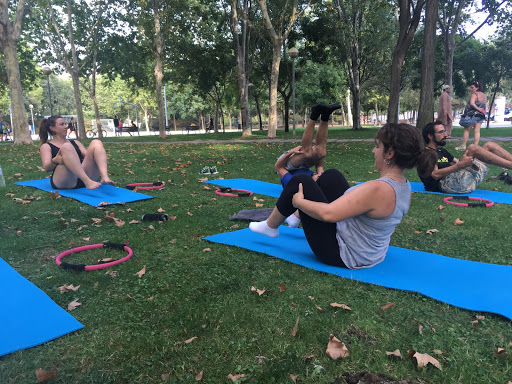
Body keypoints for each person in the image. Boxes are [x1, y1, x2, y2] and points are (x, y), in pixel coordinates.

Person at [250, 122, 424, 269]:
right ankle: (294, 218)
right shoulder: (405, 187)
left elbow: (328, 214)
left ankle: (270, 226)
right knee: (331, 175)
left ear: (390, 153)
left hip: (343, 254)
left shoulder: (377, 189)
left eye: (377, 146)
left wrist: (299, 203)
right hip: (370, 253)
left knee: (300, 182)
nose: (373, 151)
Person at [417, 120, 512, 194]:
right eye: (441, 132)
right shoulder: (427, 153)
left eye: (445, 131)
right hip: (446, 185)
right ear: (430, 136)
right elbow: (435, 175)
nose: (446, 134)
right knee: (472, 148)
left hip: (461, 181)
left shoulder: (442, 151)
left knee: (489, 145)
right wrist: (460, 165)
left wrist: (465, 163)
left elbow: (458, 162)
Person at [39, 115, 114, 190]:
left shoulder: (76, 142)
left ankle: (105, 178)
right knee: (66, 147)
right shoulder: (46, 146)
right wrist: (54, 161)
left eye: (65, 124)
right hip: (65, 180)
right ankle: (87, 182)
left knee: (96, 142)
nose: (66, 126)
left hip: (82, 177)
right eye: (62, 124)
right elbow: (47, 168)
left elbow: (89, 157)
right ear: (52, 128)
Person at [456, 81, 487, 151]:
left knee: (467, 130)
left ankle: (463, 145)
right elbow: (485, 105)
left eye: (472, 87)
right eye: (471, 87)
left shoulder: (474, 94)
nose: (471, 89)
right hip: (481, 115)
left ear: (477, 88)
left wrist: (478, 109)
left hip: (472, 115)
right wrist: (482, 110)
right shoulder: (484, 96)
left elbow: (472, 103)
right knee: (477, 131)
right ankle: (476, 147)